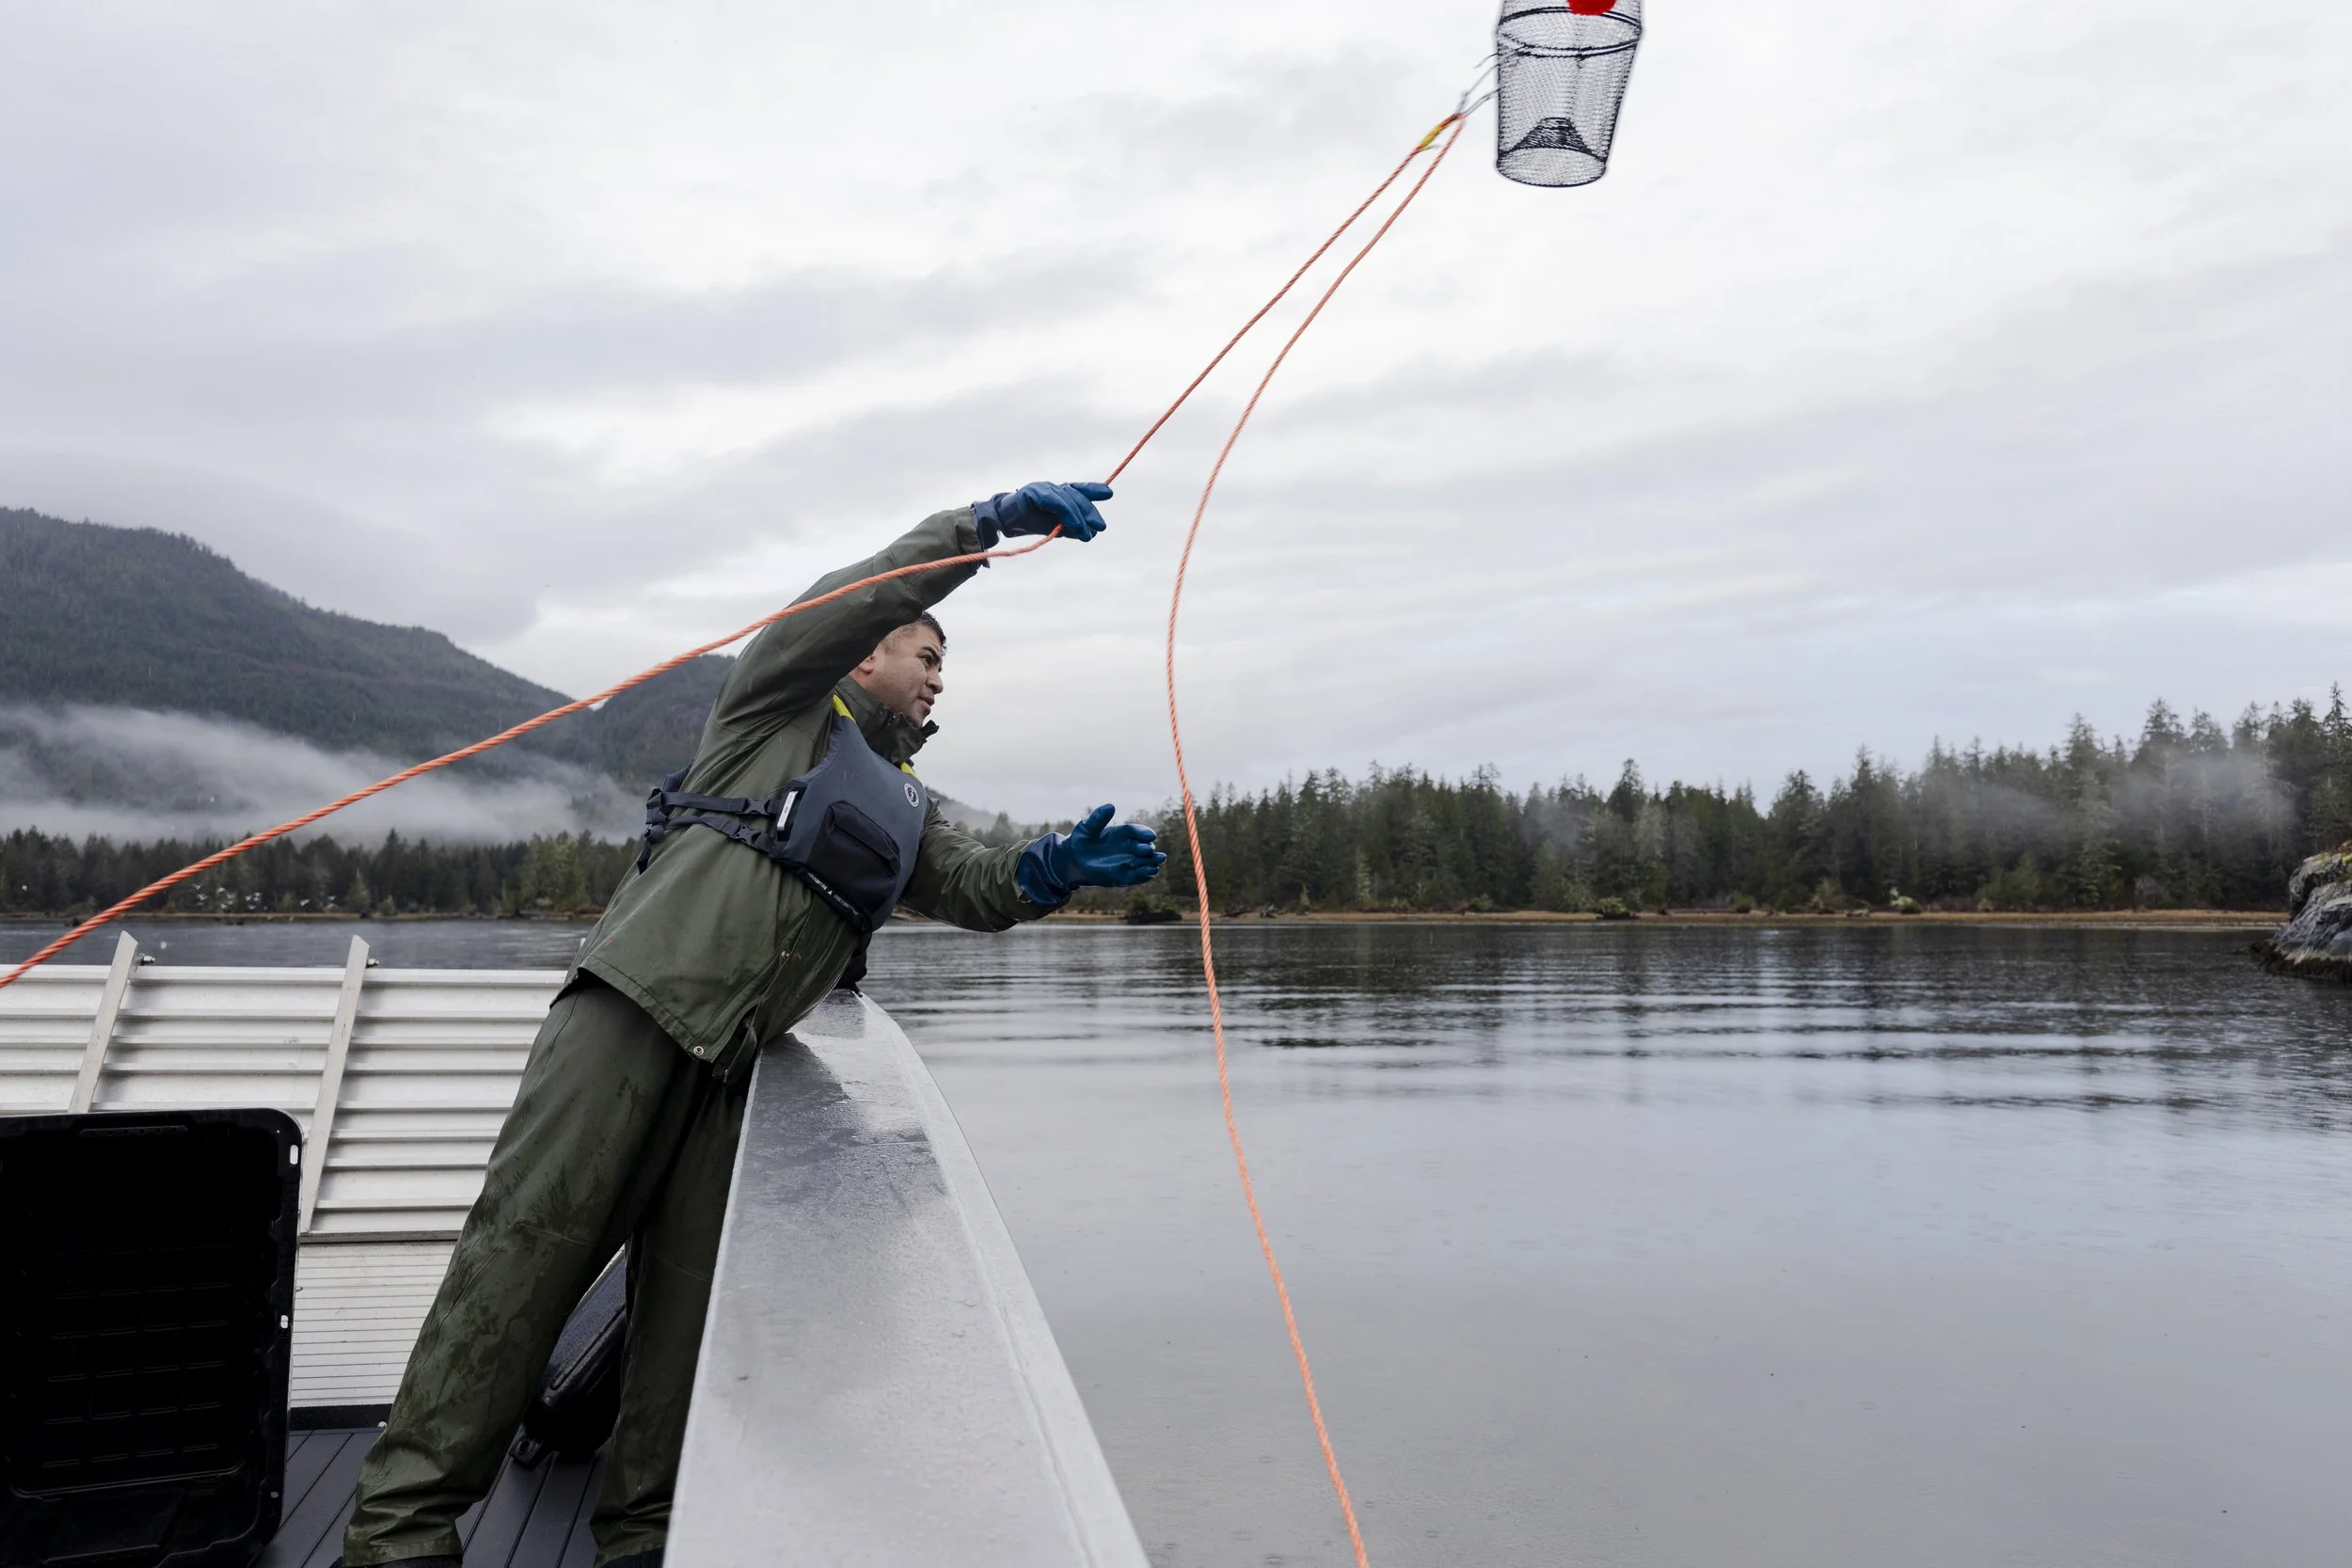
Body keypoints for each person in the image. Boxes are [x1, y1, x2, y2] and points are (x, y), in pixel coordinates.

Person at [339, 482, 1166, 1568]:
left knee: (686, 1324)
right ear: (867, 653)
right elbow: (836, 604)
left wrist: (1049, 869)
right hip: (631, 1015)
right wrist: (979, 529)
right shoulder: (774, 708)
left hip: (739, 1066)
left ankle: (645, 1539)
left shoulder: (910, 805)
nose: (937, 675)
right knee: (519, 1268)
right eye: (923, 651)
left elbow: (973, 883)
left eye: (944, 666)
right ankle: (399, 1535)